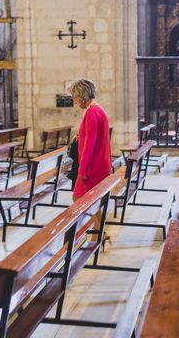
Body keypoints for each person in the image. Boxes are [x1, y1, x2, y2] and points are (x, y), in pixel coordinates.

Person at [68, 79, 112, 245]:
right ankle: (100, 233)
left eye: (75, 97)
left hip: (93, 166)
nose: (74, 101)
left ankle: (100, 232)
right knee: (92, 200)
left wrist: (83, 169)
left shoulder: (91, 112)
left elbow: (90, 144)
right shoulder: (99, 109)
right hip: (100, 163)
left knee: (78, 198)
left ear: (81, 97)